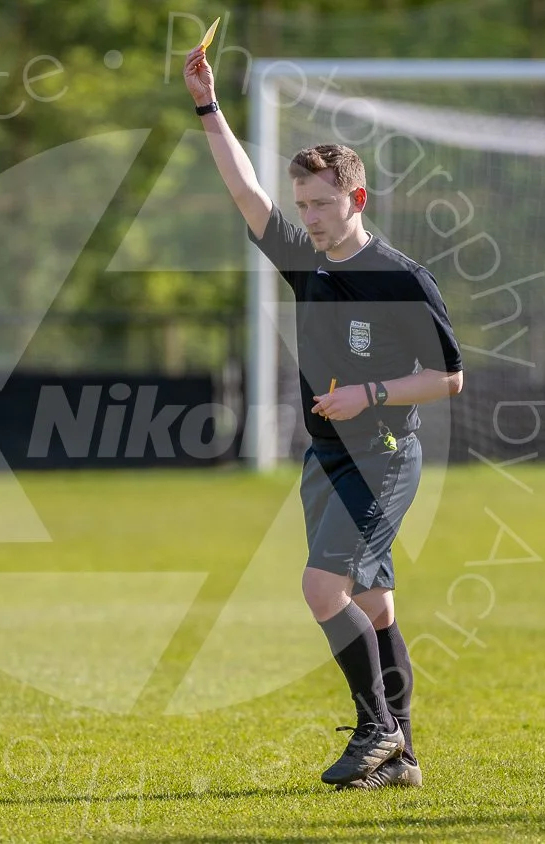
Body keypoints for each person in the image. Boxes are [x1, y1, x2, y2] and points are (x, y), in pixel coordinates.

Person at [184, 47, 465, 789]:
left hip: (385, 453)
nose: (307, 218)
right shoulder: (305, 261)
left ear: (356, 199)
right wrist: (208, 107)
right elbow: (244, 190)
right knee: (374, 605)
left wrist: (370, 394)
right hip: (328, 457)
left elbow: (449, 378)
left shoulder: (402, 280)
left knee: (322, 590)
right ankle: (402, 759)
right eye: (301, 204)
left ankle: (377, 729)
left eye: (320, 204)